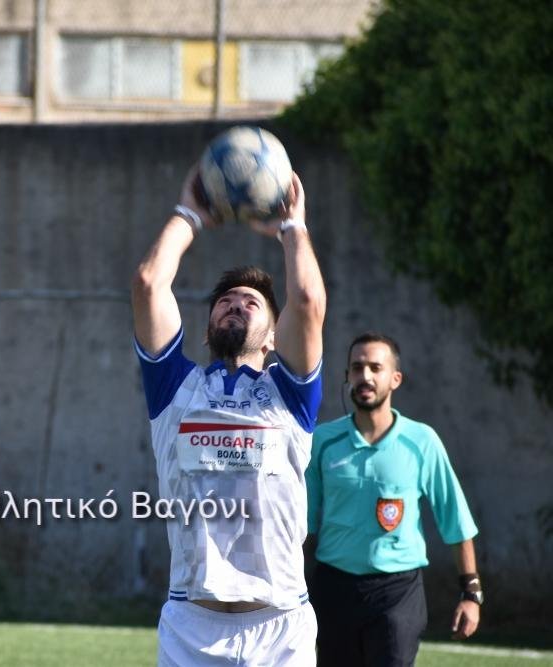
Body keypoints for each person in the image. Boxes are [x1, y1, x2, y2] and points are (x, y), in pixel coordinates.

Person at [131, 164, 326, 666]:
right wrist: (188, 215)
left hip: (280, 623)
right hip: (192, 623)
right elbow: (150, 282)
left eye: (252, 302)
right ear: (206, 325)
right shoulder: (175, 389)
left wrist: (293, 228)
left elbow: (307, 299)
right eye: (224, 301)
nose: (235, 305)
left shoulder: (290, 393)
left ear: (275, 334)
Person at [304, 332, 482, 667]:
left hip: (398, 591)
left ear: (395, 378)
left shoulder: (422, 441)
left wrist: (471, 593)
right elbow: (301, 526)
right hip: (334, 588)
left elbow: (456, 519)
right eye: (357, 368)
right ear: (347, 377)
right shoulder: (323, 442)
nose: (365, 376)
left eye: (376, 367)